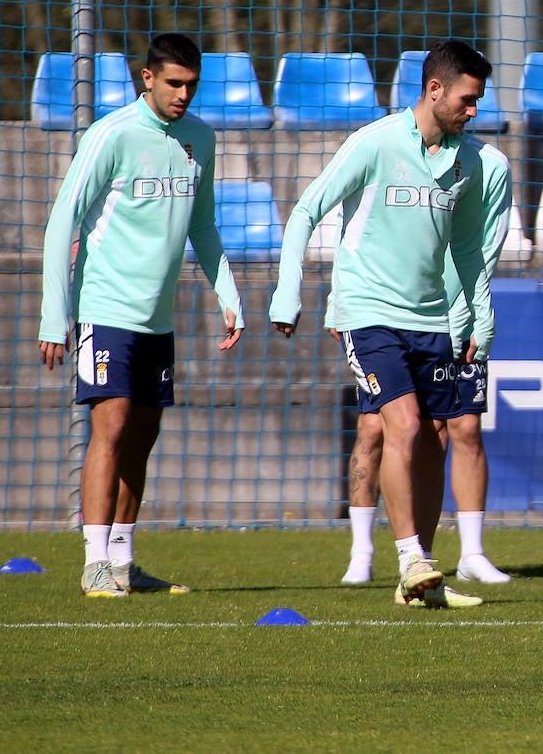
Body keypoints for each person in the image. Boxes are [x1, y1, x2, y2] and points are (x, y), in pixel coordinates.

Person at [270, 38, 496, 609]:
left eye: (479, 103)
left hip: (432, 318)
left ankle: (419, 579)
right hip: (368, 312)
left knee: (433, 443)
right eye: (468, 100)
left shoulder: (468, 160)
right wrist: (287, 292)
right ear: (434, 89)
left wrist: (480, 316)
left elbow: (468, 250)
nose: (475, 112)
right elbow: (305, 211)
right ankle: (409, 557)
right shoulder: (373, 144)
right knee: (402, 424)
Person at [38, 33, 245, 598]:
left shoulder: (200, 138)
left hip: (159, 318)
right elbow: (63, 222)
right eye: (174, 83)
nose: (183, 94)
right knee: (112, 424)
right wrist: (54, 317)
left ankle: (125, 563)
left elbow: (202, 225)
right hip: (105, 307)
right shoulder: (112, 134)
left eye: (192, 85)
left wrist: (228, 292)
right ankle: (94, 564)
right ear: (146, 78)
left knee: (145, 433)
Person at [337, 133, 515, 587]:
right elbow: (361, 229)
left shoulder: (490, 165)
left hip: (460, 316)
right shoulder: (391, 152)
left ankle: (460, 554)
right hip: (390, 313)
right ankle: (362, 550)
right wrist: (336, 301)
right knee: (375, 426)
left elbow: (481, 248)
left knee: (462, 427)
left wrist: (472, 315)